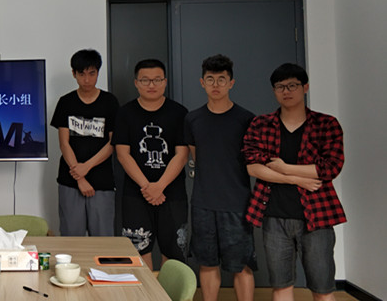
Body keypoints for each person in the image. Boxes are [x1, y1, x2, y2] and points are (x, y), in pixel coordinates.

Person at [243, 63, 345, 301]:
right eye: (280, 86)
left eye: (292, 85)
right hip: (274, 216)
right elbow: (253, 167)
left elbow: (331, 167)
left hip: (317, 217)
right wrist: (298, 178)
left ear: (305, 87)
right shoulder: (261, 124)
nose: (286, 91)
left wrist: (284, 167)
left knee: (323, 288)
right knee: (281, 286)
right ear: (274, 91)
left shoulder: (326, 124)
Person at [184, 55, 255, 301]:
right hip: (203, 202)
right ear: (202, 82)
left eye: (221, 79)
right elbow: (196, 157)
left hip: (237, 203)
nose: (216, 85)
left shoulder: (246, 119)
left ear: (231, 83)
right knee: (207, 262)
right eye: (210, 79)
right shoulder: (192, 119)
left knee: (241, 265)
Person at [112, 58, 189, 269]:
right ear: (136, 83)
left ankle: (167, 289)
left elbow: (182, 155)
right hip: (136, 193)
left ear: (165, 82)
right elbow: (123, 154)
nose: (151, 85)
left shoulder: (179, 113)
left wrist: (159, 186)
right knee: (138, 251)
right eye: (145, 80)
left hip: (172, 193)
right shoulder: (125, 113)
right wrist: (147, 187)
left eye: (157, 80)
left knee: (173, 251)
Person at [50, 49, 119, 236]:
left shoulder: (110, 102)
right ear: (74, 74)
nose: (87, 80)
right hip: (70, 180)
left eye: (92, 73)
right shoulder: (66, 102)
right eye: (81, 74)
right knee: (71, 238)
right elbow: (64, 143)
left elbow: (112, 143)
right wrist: (79, 177)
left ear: (98, 73)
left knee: (103, 239)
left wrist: (86, 167)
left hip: (102, 181)